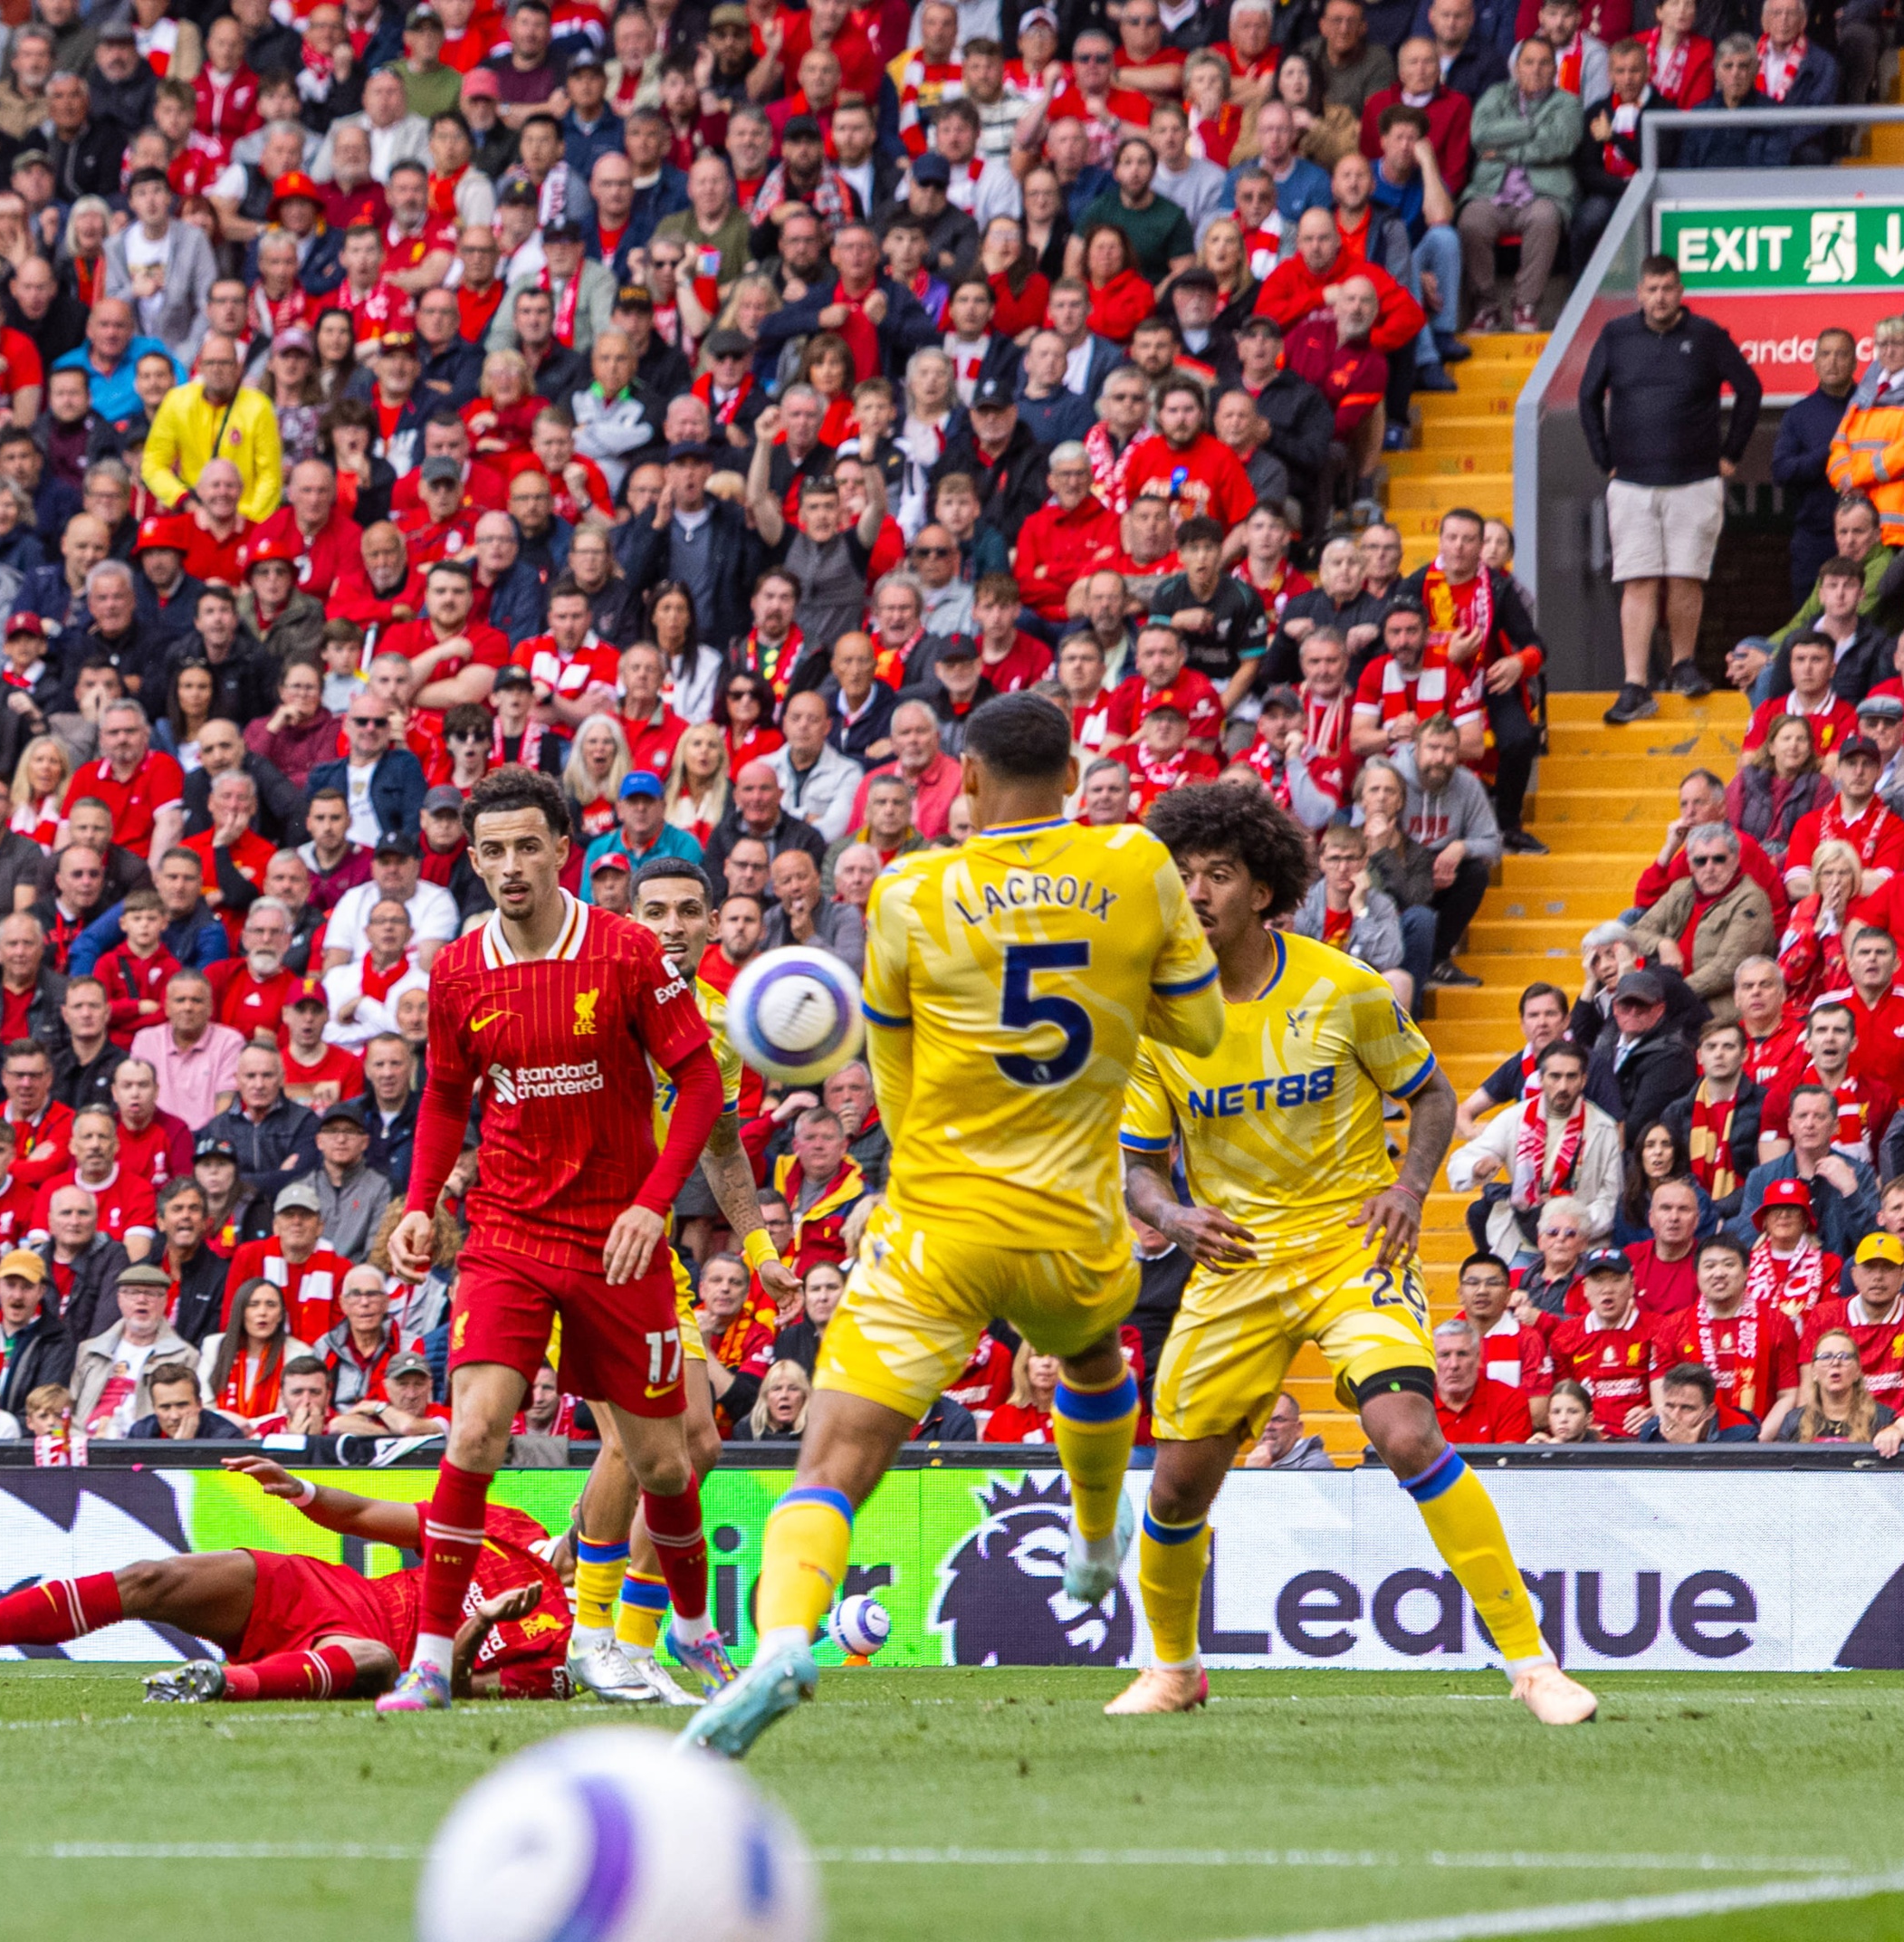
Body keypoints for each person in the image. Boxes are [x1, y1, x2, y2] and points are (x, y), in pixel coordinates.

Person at [684, 693, 1224, 1758]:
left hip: (938, 1220)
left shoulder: (907, 890)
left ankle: (784, 1641)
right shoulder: (1134, 865)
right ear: (1072, 777)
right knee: (1086, 1354)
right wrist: (1114, 987)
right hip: (1074, 1219)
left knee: (830, 1462)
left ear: (963, 782)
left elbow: (887, 1071)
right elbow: (1202, 1028)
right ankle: (1086, 1531)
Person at [1109, 781, 1593, 1724]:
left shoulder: (1341, 986)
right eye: (1181, 876)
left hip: (1346, 1241)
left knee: (1406, 1431)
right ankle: (1171, 1668)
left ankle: (1531, 1664)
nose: (1196, 892)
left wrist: (1408, 1187)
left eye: (1218, 873)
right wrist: (1170, 1220)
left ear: (1262, 890)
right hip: (1234, 1258)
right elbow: (1135, 1170)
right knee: (1174, 1484)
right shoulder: (1151, 1020)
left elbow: (1436, 1099)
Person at [372, 763, 728, 1715]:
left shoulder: (623, 951)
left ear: (562, 849)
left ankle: (690, 1630)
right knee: (477, 1427)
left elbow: (698, 1084)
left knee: (663, 1462)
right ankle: (429, 1659)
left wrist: (653, 1204)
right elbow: (446, 1092)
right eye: (490, 850)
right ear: (474, 860)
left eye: (527, 845)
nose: (509, 865)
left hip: (618, 1237)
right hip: (507, 1231)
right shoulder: (454, 969)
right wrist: (420, 1203)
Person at [555, 855, 803, 1705]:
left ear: (713, 925)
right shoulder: (588, 995)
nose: (669, 925)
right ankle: (593, 1633)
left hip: (655, 1256)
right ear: (627, 917)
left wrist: (763, 1252)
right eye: (652, 909)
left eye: (687, 911)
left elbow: (724, 1148)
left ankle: (636, 1634)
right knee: (637, 1441)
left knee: (695, 1445)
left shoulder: (717, 1028)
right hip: (571, 1244)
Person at [0, 1453, 567, 1701]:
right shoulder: (507, 1523)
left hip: (377, 1652)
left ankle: (215, 1683)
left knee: (373, 1661)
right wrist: (303, 1491)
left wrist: (479, 1626)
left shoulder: (567, 1651)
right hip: (330, 1590)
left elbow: (459, 1689)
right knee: (147, 1578)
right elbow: (366, 1513)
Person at [1576, 254, 1760, 724]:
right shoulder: (1616, 335)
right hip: (1633, 482)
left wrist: (1731, 455)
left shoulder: (1708, 336)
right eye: (1652, 289)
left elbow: (1750, 389)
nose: (1660, 297)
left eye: (1668, 288)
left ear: (1681, 292)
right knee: (1637, 580)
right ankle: (1635, 683)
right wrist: (1603, 459)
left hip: (1696, 480)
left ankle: (1682, 665)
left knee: (1685, 577)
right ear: (1639, 292)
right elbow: (1587, 395)